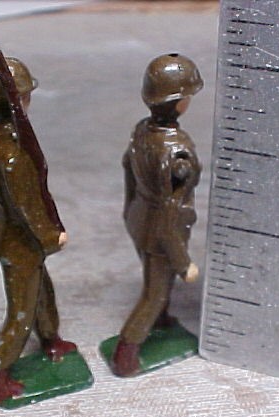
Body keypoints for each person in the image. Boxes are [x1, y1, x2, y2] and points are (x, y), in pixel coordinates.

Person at [0, 57, 76, 405]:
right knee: (20, 313)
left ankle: (50, 338)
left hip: (12, 239)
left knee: (42, 293)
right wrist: (50, 236)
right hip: (21, 242)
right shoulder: (12, 155)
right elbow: (26, 205)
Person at [112, 53, 203, 376]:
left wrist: (129, 211)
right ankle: (126, 352)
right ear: (180, 102)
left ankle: (162, 320)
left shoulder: (142, 131)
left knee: (156, 281)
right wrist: (183, 262)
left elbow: (127, 167)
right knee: (154, 293)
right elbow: (168, 214)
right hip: (162, 234)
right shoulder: (177, 151)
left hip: (138, 219)